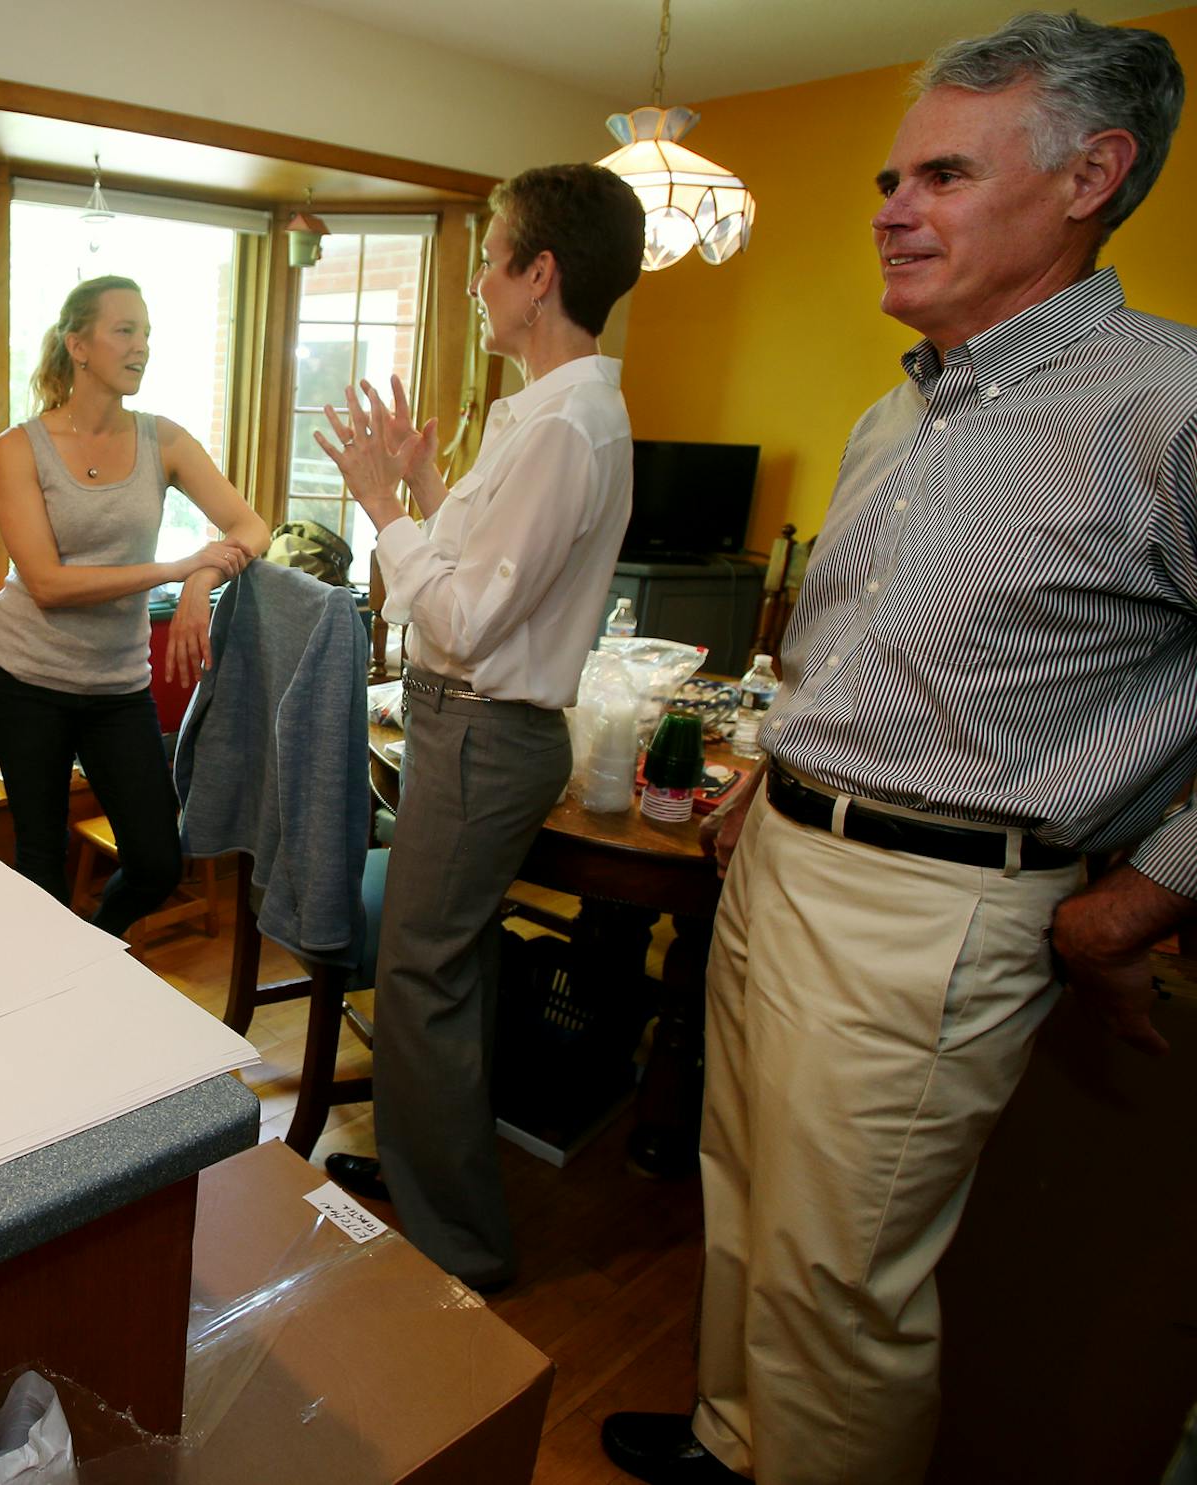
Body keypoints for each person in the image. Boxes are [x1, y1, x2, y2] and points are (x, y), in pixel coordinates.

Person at [601, 14, 1195, 1484]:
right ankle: (734, 1445)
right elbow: (866, 654)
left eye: (940, 174)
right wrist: (774, 781)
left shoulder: (1164, 403)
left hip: (927, 910)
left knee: (836, 1284)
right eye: (890, 175)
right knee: (747, 1206)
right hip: (788, 856)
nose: (889, 207)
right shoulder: (905, 405)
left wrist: (1149, 893)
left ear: (1090, 176)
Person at [312, 164, 645, 1290]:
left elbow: (453, 610)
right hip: (466, 719)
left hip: (483, 729)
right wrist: (420, 487)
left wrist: (379, 504)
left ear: (537, 275)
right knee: (447, 974)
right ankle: (422, 1174)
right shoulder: (538, 414)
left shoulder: (568, 426)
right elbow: (455, 575)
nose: (473, 284)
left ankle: (456, 1245)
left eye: (488, 257)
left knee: (422, 978)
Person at [0, 275, 268, 936]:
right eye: (125, 330)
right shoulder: (18, 447)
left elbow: (252, 526)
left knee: (159, 861)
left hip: (114, 687)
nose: (142, 347)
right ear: (78, 344)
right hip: (24, 682)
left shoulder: (164, 440)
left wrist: (203, 579)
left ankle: (93, 953)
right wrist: (173, 569)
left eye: (147, 334)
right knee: (43, 865)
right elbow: (46, 583)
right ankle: (50, 996)